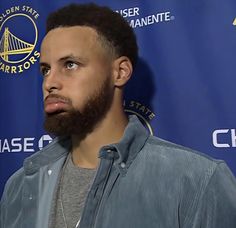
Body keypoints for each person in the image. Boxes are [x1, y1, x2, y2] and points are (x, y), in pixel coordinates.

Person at [1, 3, 236, 228]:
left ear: (120, 72)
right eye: (45, 69)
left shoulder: (197, 181)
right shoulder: (21, 185)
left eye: (70, 64)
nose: (49, 83)